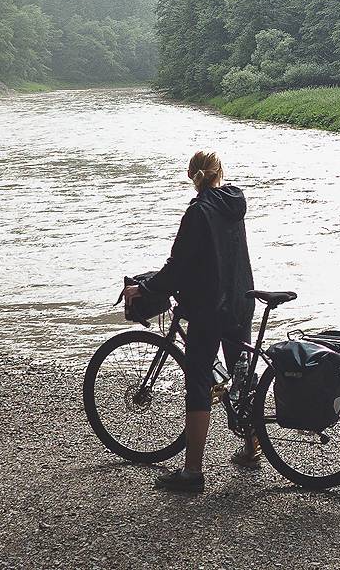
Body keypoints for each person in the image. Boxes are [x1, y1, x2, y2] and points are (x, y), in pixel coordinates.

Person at [122, 150, 258, 493]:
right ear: (219, 173)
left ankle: (192, 473)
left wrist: (145, 288)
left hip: (209, 310)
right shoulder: (234, 202)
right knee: (242, 375)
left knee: (197, 381)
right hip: (241, 301)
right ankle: (252, 448)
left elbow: (177, 267)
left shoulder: (198, 212)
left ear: (192, 177)